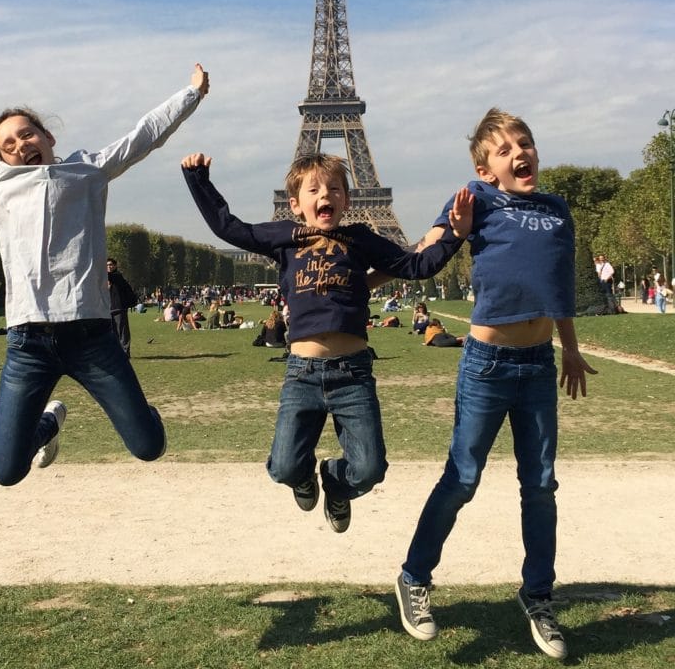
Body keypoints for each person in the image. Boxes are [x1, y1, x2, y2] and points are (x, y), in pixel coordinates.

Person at [0, 55, 209, 486]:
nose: (18, 146)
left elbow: (144, 135)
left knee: (149, 446)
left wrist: (191, 93)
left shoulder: (88, 170)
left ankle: (141, 416)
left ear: (47, 136)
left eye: (25, 134)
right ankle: (49, 425)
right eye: (7, 145)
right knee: (6, 472)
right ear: (1, 158)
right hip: (28, 343)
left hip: (91, 338)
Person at [393, 107, 596, 661]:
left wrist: (571, 348)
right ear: (486, 170)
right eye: (504, 151)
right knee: (462, 478)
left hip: (537, 364)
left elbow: (559, 285)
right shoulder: (475, 199)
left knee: (542, 486)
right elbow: (424, 251)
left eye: (524, 143)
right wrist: (454, 236)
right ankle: (414, 576)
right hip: (486, 362)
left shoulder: (556, 210)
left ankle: (538, 596)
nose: (519, 154)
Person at [181, 150, 473, 533]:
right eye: (314, 189)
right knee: (283, 467)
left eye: (335, 188)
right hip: (301, 372)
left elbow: (416, 265)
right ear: (295, 204)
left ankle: (336, 483)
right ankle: (303, 477)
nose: (326, 195)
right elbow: (228, 228)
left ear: (347, 200)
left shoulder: (360, 238)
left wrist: (456, 233)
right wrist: (198, 180)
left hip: (352, 372)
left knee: (369, 470)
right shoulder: (283, 237)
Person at [107, 258, 136, 356]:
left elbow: (109, 276)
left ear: (115, 266)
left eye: (111, 265)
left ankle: (125, 352)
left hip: (119, 308)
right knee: (112, 333)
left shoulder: (117, 276)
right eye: (107, 265)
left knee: (122, 331)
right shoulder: (106, 279)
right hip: (109, 308)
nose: (109, 267)